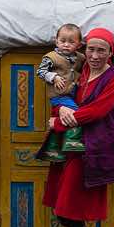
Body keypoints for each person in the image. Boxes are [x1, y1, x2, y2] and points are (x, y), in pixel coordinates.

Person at [42, 27, 114, 227]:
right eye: (91, 49)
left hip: (92, 150)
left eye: (102, 50)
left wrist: (62, 120)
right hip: (69, 148)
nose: (95, 55)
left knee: (70, 209)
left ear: (111, 52)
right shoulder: (80, 70)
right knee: (61, 207)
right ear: (83, 49)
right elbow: (62, 95)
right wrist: (62, 108)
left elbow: (99, 110)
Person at [36, 23, 86, 161]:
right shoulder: (51, 57)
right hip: (58, 95)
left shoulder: (80, 58)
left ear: (79, 45)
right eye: (62, 41)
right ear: (56, 41)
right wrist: (54, 77)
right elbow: (40, 72)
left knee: (62, 120)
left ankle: (53, 147)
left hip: (72, 94)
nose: (66, 45)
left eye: (71, 42)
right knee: (76, 114)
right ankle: (72, 140)